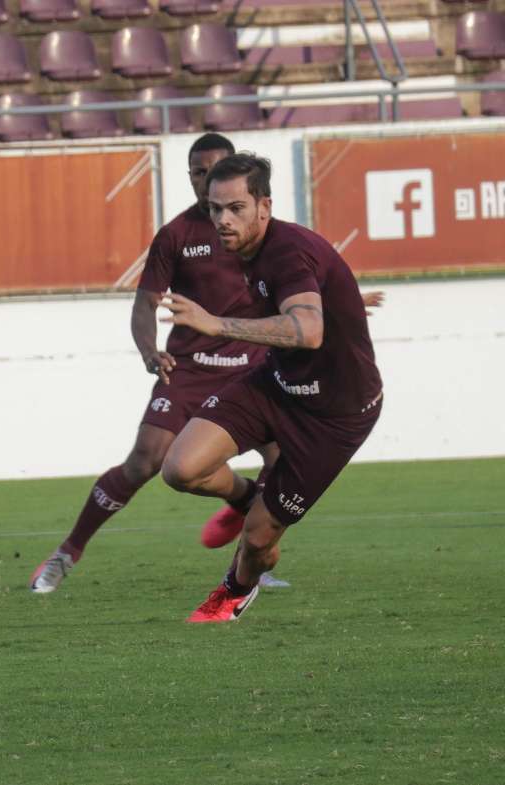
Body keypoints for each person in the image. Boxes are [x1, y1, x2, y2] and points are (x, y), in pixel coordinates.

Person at [29, 133, 289, 594]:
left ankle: (250, 563)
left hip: (249, 369)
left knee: (282, 457)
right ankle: (67, 552)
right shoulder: (176, 235)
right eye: (198, 172)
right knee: (146, 461)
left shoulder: (262, 231)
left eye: (216, 169)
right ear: (190, 177)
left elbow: (299, 283)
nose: (206, 179)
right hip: (187, 370)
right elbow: (144, 304)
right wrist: (150, 351)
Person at [160, 152, 383, 623]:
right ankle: (247, 498)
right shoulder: (246, 250)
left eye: (235, 208)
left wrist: (216, 324)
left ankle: (233, 593)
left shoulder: (285, 251)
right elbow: (303, 301)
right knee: (180, 468)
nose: (222, 219)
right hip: (278, 385)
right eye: (214, 208)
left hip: (334, 417)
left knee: (259, 542)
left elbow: (309, 331)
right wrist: (342, 299)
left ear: (265, 206)